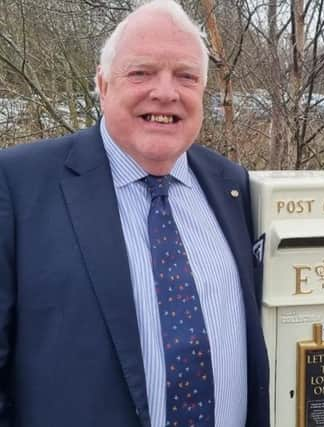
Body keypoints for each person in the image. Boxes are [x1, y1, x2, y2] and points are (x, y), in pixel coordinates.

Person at [0, 1, 269, 426]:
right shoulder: (18, 184)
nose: (166, 92)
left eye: (186, 76)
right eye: (141, 72)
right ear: (103, 85)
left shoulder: (230, 185)